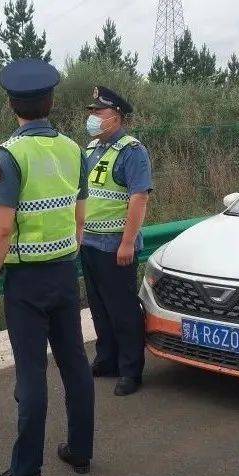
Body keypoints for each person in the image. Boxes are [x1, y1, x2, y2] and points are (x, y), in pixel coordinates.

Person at [0, 59, 95, 476]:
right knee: (75, 365)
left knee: (31, 375)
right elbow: (79, 216)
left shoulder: (10, 154)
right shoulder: (73, 150)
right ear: (51, 102)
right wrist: (67, 253)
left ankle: (26, 472)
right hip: (65, 272)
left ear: (12, 105)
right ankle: (80, 451)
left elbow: (1, 228)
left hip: (26, 281)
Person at [81, 86, 152, 396]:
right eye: (92, 112)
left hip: (115, 245)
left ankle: (130, 370)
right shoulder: (90, 150)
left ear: (116, 116)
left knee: (122, 309)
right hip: (90, 243)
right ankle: (106, 358)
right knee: (99, 307)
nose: (93, 117)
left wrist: (127, 241)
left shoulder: (132, 150)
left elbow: (139, 198)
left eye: (99, 112)